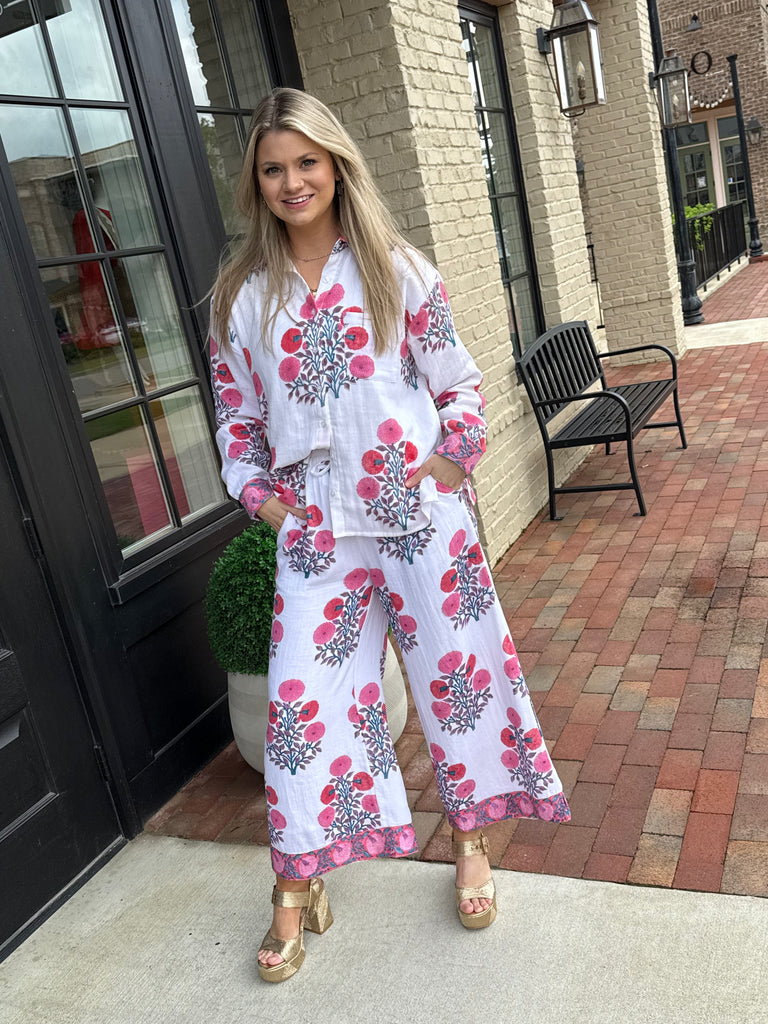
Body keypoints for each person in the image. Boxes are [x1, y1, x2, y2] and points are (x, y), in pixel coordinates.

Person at [209, 87, 570, 984]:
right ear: (256, 183)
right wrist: (264, 503)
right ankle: (295, 885)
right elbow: (236, 421)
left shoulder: (396, 269)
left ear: (335, 166)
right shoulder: (242, 297)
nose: (292, 181)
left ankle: (471, 843)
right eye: (273, 168)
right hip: (316, 538)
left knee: (459, 681)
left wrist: (447, 466)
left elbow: (460, 385)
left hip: (419, 523)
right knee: (301, 706)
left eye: (307, 162)